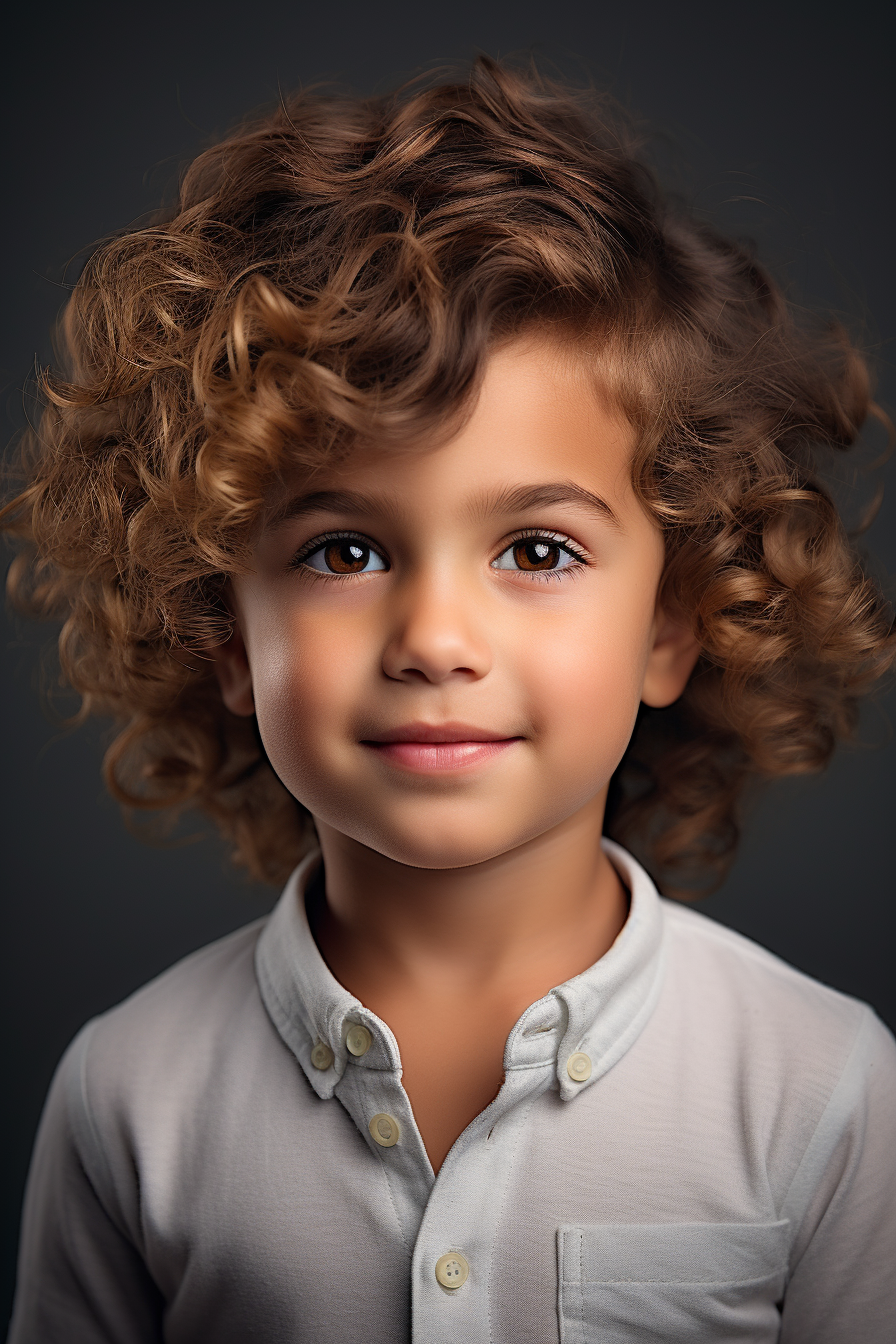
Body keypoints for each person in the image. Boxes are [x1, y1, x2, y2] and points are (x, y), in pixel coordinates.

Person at [3, 56, 895, 1344]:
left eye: (537, 551)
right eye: (341, 552)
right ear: (222, 629)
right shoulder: (127, 1098)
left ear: (674, 623)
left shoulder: (823, 1089)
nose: (432, 638)